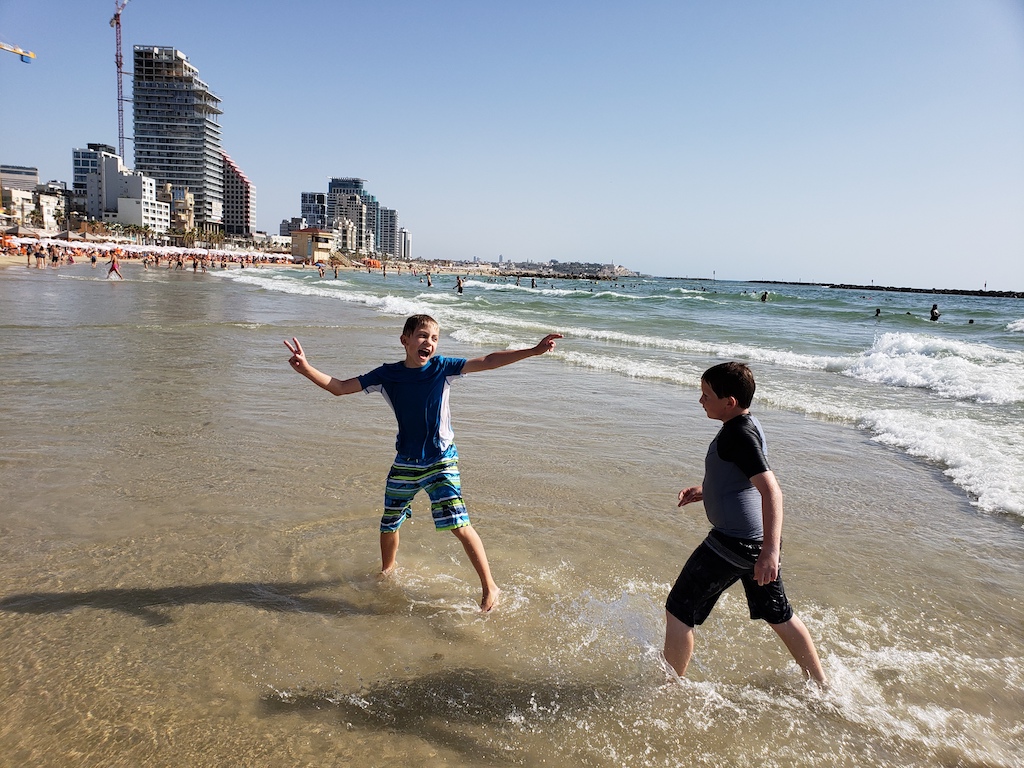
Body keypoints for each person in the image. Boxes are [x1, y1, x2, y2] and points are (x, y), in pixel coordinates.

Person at [284, 315, 563, 612]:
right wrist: (306, 369)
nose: (428, 342)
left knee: (458, 524)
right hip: (406, 461)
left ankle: (489, 586)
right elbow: (339, 387)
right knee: (389, 521)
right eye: (422, 335)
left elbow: (489, 360)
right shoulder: (387, 375)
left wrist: (532, 351)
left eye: (434, 338)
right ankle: (387, 571)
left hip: (441, 460)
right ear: (405, 340)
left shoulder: (443, 368)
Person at [663, 362, 827, 685]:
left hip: (735, 543)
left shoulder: (738, 435)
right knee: (779, 614)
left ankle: (668, 686)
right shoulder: (748, 425)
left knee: (679, 608)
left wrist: (770, 551)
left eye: (706, 395)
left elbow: (772, 491)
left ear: (730, 403)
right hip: (752, 545)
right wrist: (705, 491)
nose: (701, 401)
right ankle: (821, 684)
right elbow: (740, 478)